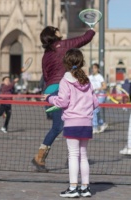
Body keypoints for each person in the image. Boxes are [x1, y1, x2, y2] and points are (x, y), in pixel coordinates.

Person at [31, 26, 95, 173]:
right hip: (61, 89)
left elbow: (46, 76)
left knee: (65, 124)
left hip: (50, 89)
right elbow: (84, 39)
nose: (59, 30)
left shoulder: (46, 54)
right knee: (60, 125)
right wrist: (91, 29)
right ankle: (40, 157)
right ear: (54, 35)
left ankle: (69, 157)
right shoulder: (63, 46)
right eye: (56, 29)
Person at [45, 48, 98, 198]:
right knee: (83, 155)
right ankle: (85, 188)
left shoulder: (65, 80)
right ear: (81, 62)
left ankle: (73, 188)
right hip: (86, 122)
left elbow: (62, 102)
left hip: (72, 122)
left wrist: (49, 98)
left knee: (73, 155)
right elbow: (95, 102)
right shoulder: (86, 80)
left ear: (66, 63)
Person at [89, 63, 108, 134]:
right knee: (95, 112)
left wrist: (97, 88)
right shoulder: (90, 77)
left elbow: (104, 86)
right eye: (92, 68)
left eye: (95, 68)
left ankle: (95, 127)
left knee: (95, 111)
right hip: (93, 96)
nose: (93, 69)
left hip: (101, 95)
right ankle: (102, 124)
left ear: (98, 69)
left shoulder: (100, 77)